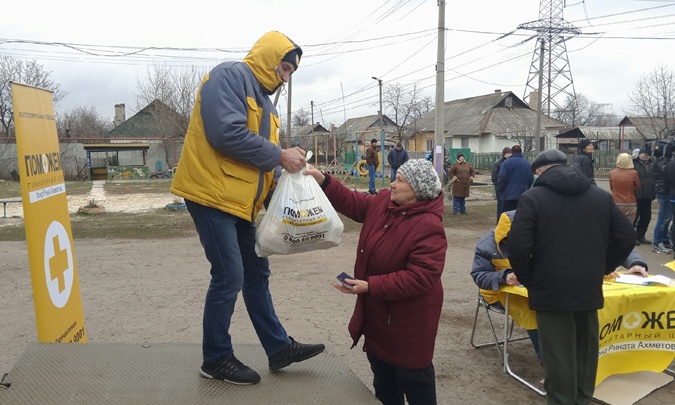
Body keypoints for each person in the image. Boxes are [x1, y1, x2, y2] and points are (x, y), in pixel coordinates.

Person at [170, 31, 325, 385]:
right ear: (268, 58)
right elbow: (226, 133)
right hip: (209, 194)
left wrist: (287, 186)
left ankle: (278, 348)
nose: (285, 76)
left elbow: (264, 162)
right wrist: (280, 155)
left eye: (290, 72)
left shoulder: (267, 108)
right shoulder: (227, 77)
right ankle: (216, 358)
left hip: (238, 202)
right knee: (229, 275)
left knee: (256, 273)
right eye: (284, 67)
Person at [304, 159, 447, 405]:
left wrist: (372, 286)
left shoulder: (428, 226)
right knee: (383, 379)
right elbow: (353, 201)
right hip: (378, 315)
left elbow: (421, 277)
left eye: (400, 180)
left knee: (414, 381)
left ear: (416, 190)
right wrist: (324, 181)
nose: (392, 184)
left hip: (409, 323)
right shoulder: (384, 202)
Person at [508, 149, 635, 405]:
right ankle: (583, 399)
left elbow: (519, 247)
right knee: (586, 353)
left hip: (550, 291)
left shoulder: (532, 198)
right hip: (588, 287)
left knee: (558, 356)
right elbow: (626, 238)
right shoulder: (599, 196)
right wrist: (601, 267)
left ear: (540, 172)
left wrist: (530, 279)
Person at [471, 210, 650, 362]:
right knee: (537, 308)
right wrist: (504, 276)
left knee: (583, 302)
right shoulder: (487, 245)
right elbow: (479, 275)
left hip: (547, 289)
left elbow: (607, 241)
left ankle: (591, 357)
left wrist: (634, 262)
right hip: (501, 295)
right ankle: (551, 364)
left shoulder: (549, 233)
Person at [651, 142, 673, 254]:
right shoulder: (664, 163)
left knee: (667, 219)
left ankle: (664, 240)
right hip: (664, 193)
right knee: (663, 219)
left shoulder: (663, 162)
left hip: (665, 192)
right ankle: (657, 242)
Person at [496, 144, 534, 212]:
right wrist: (526, 189)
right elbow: (531, 179)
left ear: (512, 152)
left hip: (508, 196)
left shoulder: (506, 163)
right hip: (523, 195)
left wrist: (501, 190)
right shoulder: (527, 164)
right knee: (520, 216)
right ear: (521, 152)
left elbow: (502, 178)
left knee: (508, 217)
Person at [609, 153, 640, 224]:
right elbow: (638, 186)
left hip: (615, 201)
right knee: (629, 225)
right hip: (630, 202)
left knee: (616, 224)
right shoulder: (633, 173)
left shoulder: (612, 173)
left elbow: (612, 187)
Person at [632, 148, 655, 245]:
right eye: (643, 153)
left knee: (646, 217)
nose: (645, 155)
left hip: (648, 195)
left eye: (647, 154)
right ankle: (632, 237)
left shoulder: (653, 164)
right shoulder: (634, 164)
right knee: (635, 217)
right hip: (637, 194)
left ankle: (640, 236)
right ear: (639, 154)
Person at [491, 146, 511, 223]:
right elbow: (494, 176)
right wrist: (498, 185)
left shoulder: (509, 163)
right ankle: (499, 220)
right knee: (500, 205)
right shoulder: (498, 163)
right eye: (508, 153)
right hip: (500, 187)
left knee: (507, 205)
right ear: (504, 154)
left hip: (508, 188)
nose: (510, 155)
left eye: (510, 153)